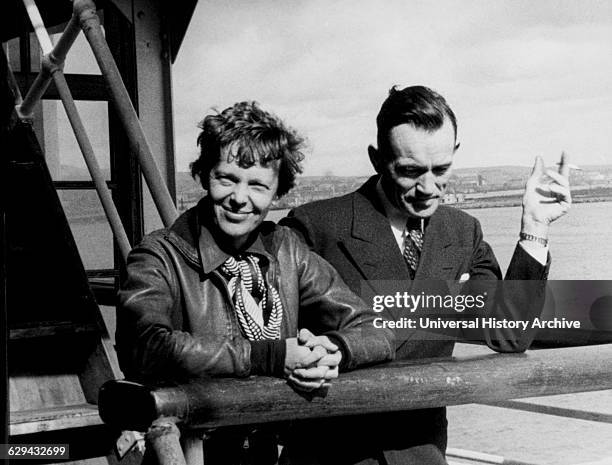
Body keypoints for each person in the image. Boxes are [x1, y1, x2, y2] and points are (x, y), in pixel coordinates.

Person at [279, 85, 571, 464]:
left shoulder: (463, 232)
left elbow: (509, 333)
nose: (429, 188)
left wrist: (534, 227)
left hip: (420, 453)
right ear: (377, 159)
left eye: (442, 169)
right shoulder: (315, 227)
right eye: (411, 172)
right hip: (330, 453)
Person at [116, 101, 395, 464]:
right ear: (204, 175)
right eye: (227, 178)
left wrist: (335, 350)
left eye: (258, 186)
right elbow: (147, 348)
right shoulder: (158, 256)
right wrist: (272, 356)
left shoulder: (287, 251)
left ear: (278, 192)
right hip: (188, 453)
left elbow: (377, 329)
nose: (239, 198)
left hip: (266, 452)